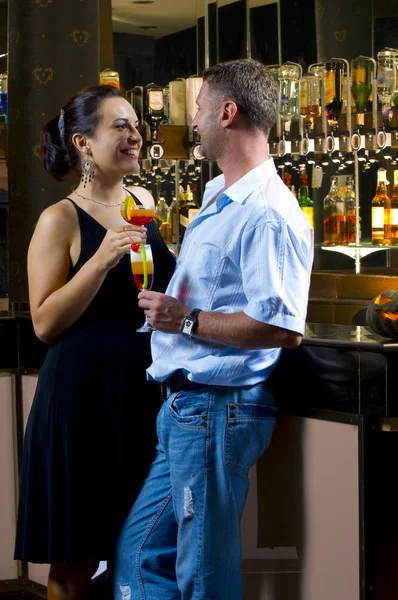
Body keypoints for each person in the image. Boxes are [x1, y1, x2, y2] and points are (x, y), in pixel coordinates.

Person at [112, 58, 314, 599]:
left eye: (199, 108)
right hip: (184, 410)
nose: (192, 121)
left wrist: (185, 319)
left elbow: (281, 329)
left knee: (201, 576)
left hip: (215, 410)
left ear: (227, 113)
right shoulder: (217, 198)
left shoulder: (267, 211)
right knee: (137, 557)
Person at [14, 84, 176, 600]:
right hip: (81, 405)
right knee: (76, 564)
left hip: (137, 401)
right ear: (83, 144)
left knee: (136, 552)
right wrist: (103, 258)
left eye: (135, 124)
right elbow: (45, 323)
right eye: (120, 126)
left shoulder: (141, 209)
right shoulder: (59, 219)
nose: (135, 135)